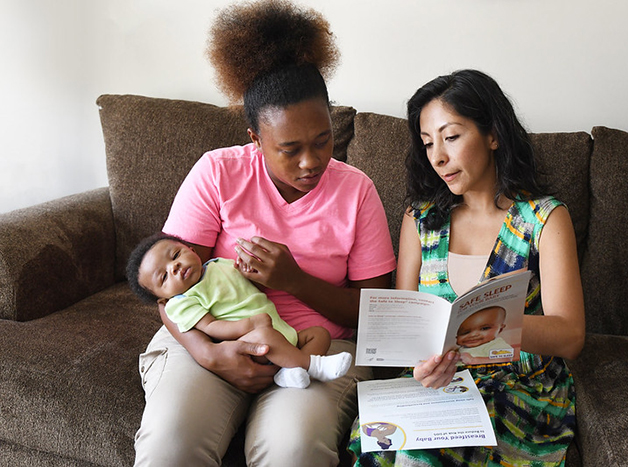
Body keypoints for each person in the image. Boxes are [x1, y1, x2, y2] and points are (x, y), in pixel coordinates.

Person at [133, 1, 396, 466]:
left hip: (317, 346)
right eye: (289, 149)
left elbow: (374, 313)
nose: (311, 162)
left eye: (323, 140)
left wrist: (294, 281)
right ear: (255, 138)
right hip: (216, 337)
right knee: (170, 444)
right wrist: (210, 354)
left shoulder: (357, 192)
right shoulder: (218, 172)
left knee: (292, 448)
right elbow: (167, 287)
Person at [348, 69, 585, 466]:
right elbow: (405, 332)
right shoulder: (420, 219)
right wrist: (422, 365)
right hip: (436, 384)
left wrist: (488, 330)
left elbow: (570, 335)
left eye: (451, 136)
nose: (438, 156)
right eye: (428, 144)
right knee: (388, 446)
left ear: (493, 134)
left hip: (520, 385)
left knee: (420, 458)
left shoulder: (544, 218)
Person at [127, 233, 352, 389]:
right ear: (162, 298)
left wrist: (249, 273)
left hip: (283, 330)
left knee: (319, 333)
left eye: (176, 255)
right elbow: (210, 326)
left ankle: (290, 371)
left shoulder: (218, 265)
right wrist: (248, 326)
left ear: (191, 250)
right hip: (251, 343)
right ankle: (314, 366)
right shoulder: (182, 302)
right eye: (164, 277)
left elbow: (249, 289)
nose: (174, 267)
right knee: (266, 337)